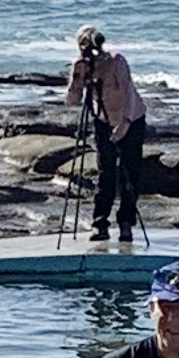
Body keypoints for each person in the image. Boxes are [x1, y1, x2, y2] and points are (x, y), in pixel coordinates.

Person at [65, 26, 145, 240]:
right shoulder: (83, 66)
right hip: (102, 120)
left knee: (130, 172)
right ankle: (100, 223)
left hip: (132, 119)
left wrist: (124, 124)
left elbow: (128, 92)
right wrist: (77, 75)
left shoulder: (116, 60)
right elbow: (72, 101)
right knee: (106, 172)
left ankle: (126, 222)